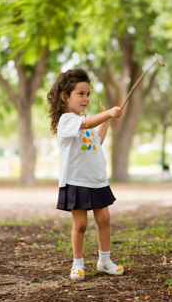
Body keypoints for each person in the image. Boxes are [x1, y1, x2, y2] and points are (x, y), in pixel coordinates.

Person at [47, 68, 125, 281]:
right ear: (65, 97)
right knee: (80, 225)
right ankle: (77, 264)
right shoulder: (67, 120)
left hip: (96, 180)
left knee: (105, 219)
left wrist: (106, 121)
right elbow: (87, 123)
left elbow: (96, 141)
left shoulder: (85, 122)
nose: (86, 98)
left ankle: (104, 260)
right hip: (76, 180)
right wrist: (107, 113)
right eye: (80, 94)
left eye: (88, 94)